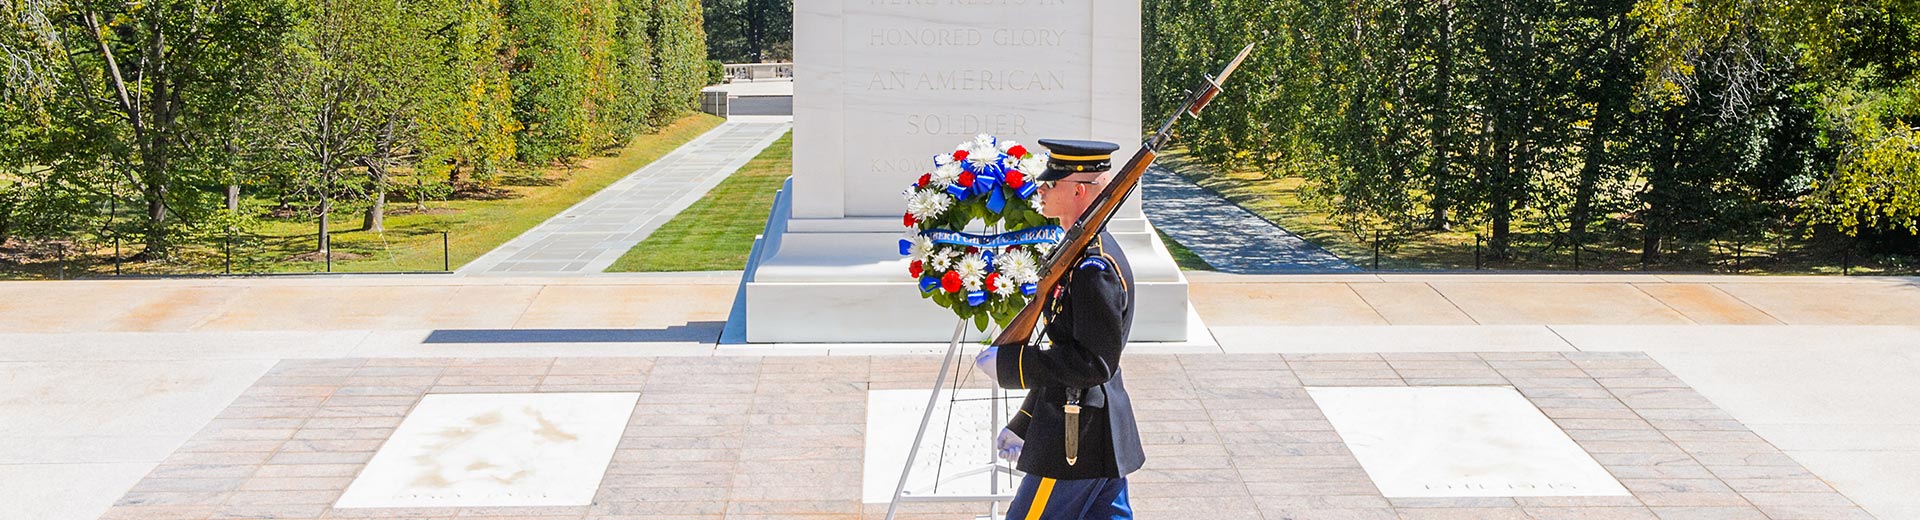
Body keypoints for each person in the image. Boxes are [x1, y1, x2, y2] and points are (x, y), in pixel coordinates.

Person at [974, 139, 1143, 520]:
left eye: (1051, 184)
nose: (1041, 190)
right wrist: (1025, 421)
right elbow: (1069, 348)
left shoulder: (1093, 268)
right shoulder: (1080, 252)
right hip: (1093, 433)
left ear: (1079, 190)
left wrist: (1012, 365)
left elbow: (1094, 363)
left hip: (1075, 440)